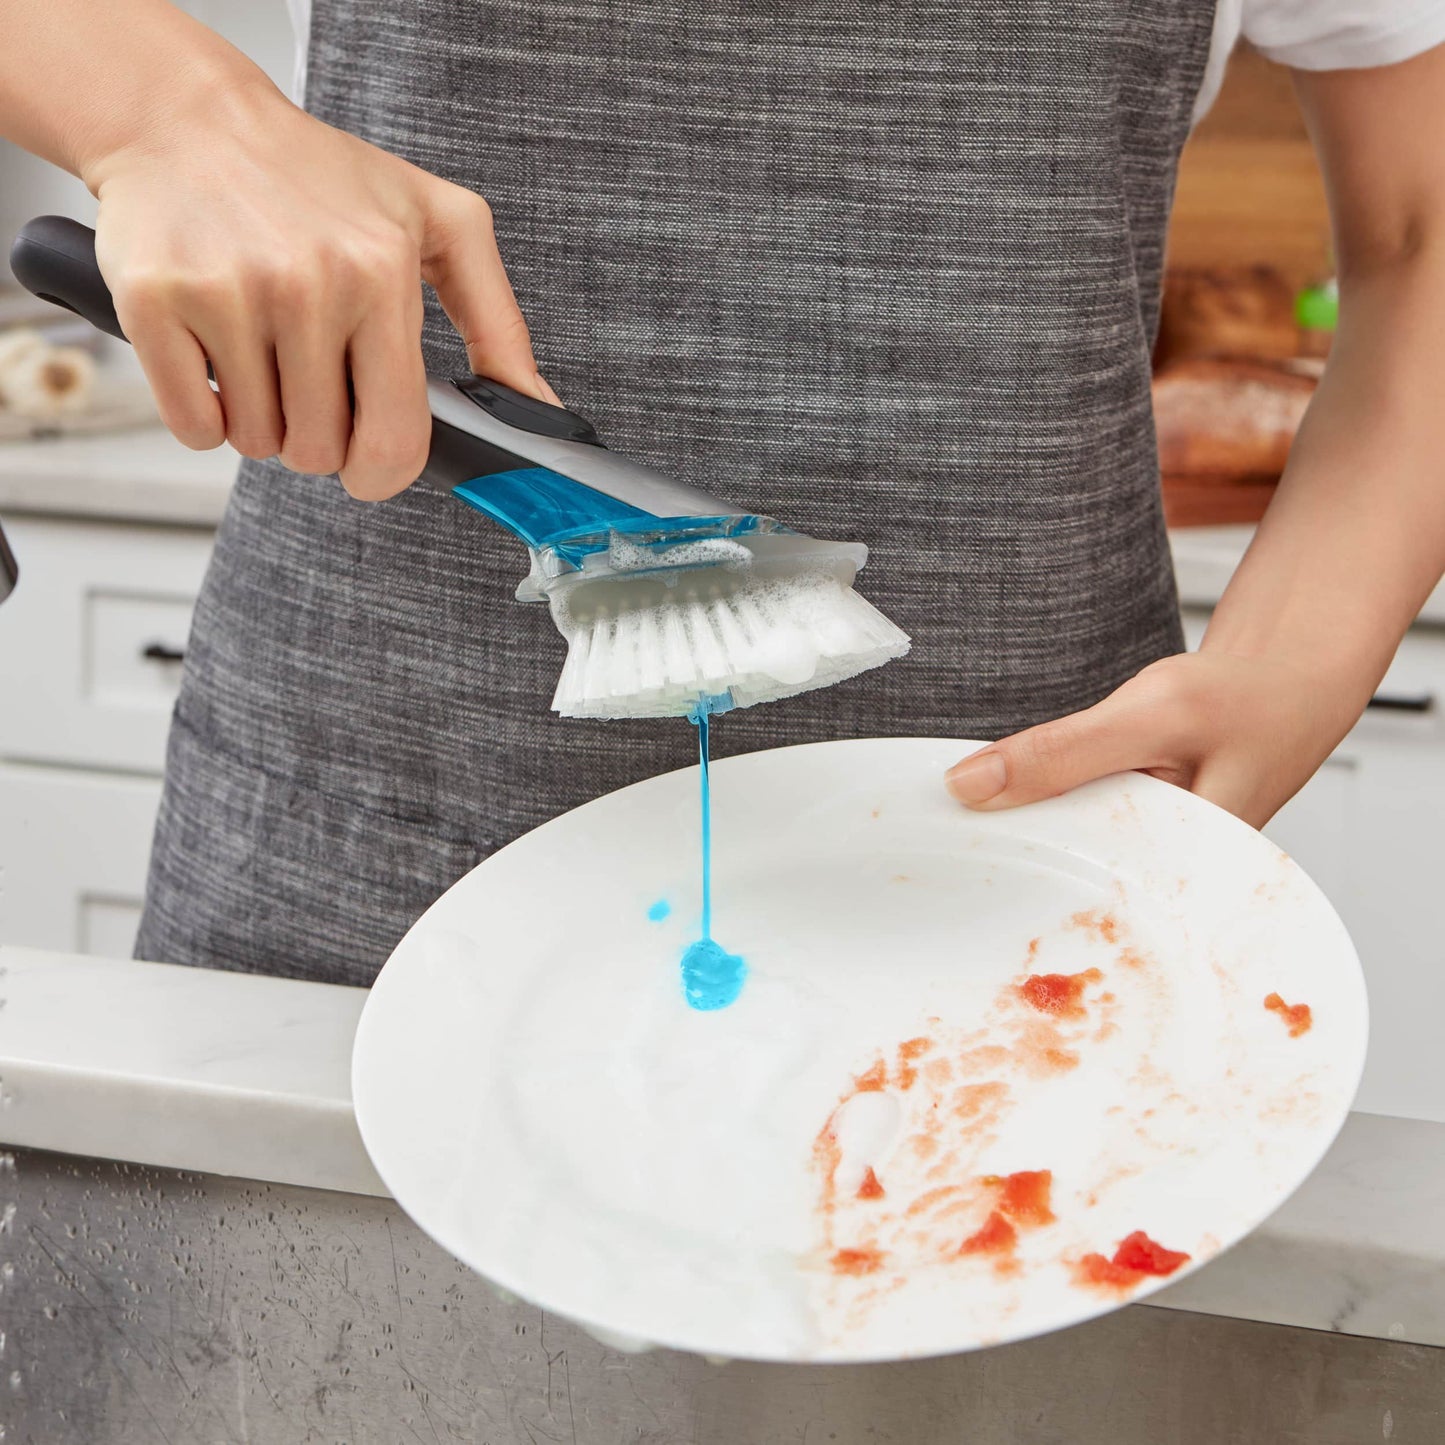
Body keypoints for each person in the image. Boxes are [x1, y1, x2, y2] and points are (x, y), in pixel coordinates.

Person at [3, 0, 1443, 985]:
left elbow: (1419, 228)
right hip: (359, 836)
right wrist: (166, 114)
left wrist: (1295, 660)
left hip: (1022, 848)